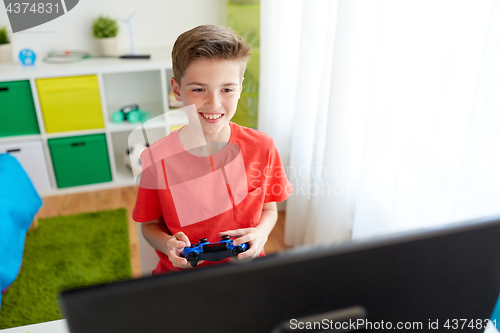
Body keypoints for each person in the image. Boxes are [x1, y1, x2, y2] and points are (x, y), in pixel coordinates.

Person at [132, 25, 292, 274]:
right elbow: (150, 225)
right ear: (177, 90)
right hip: (182, 280)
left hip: (247, 273)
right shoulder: (155, 158)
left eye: (227, 89)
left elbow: (269, 209)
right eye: (198, 89)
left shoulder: (263, 147)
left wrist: (260, 233)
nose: (214, 103)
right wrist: (167, 245)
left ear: (240, 87)